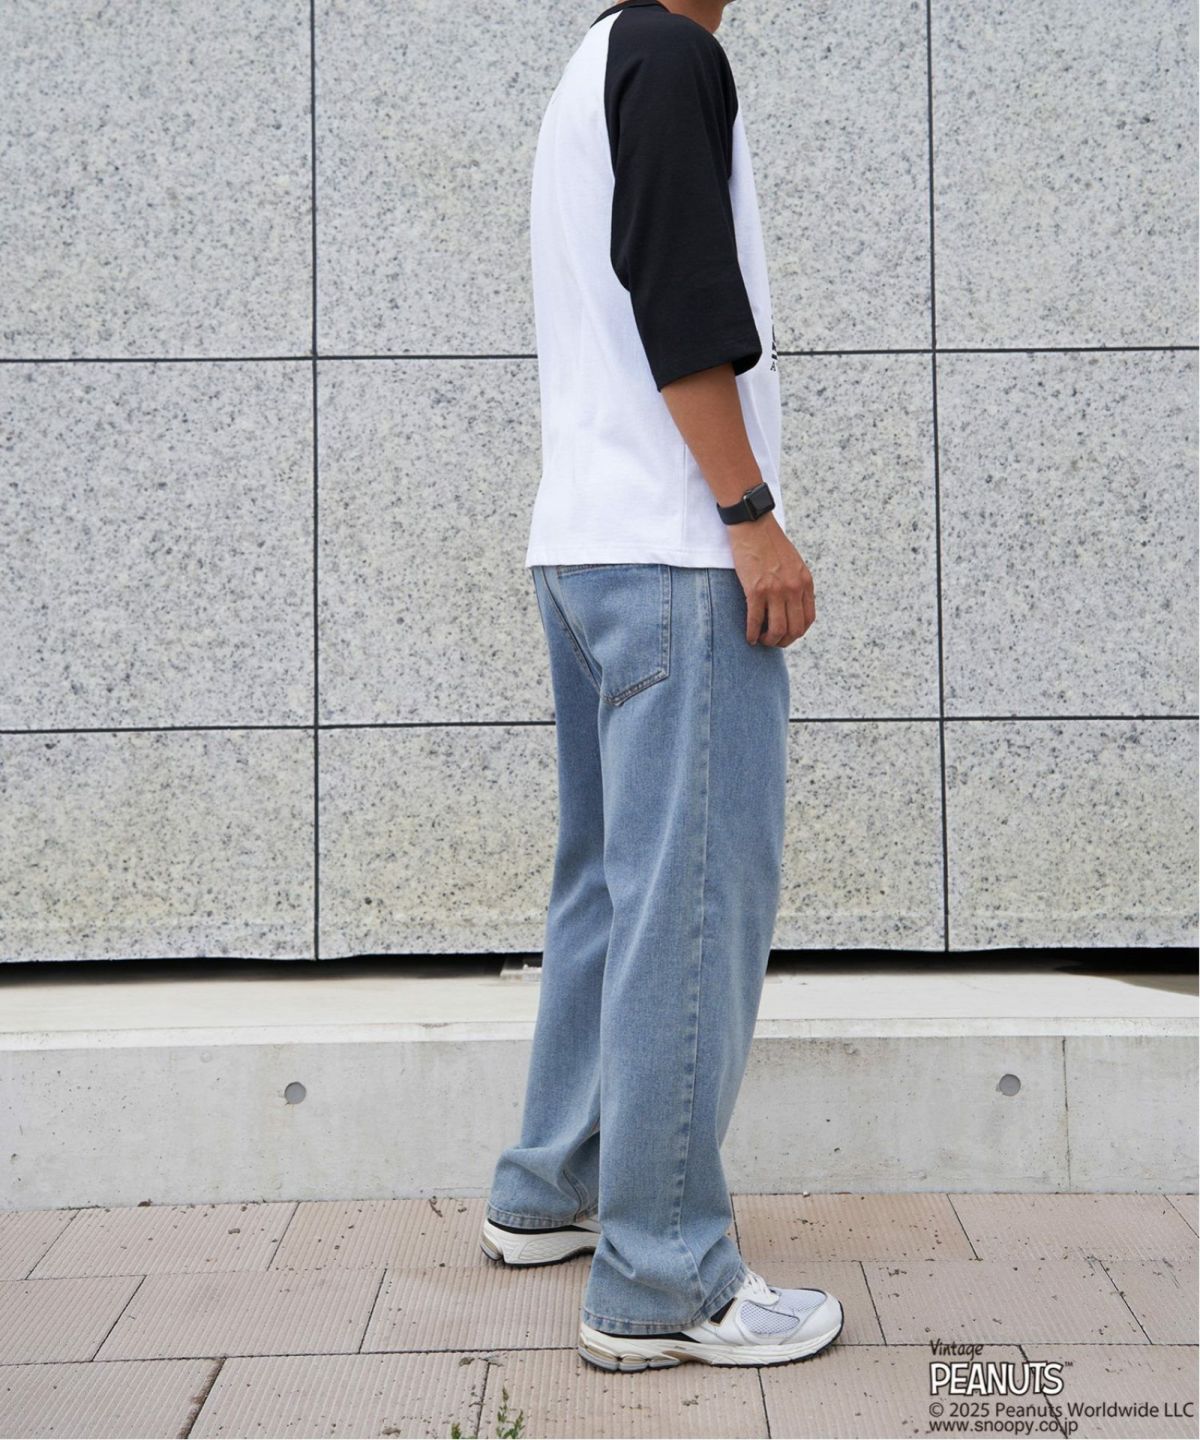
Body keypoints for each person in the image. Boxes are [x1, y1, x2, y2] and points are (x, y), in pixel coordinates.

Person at [480, 0, 843, 1372]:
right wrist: (750, 514)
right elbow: (681, 298)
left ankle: (554, 1185)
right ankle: (664, 1274)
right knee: (691, 904)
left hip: (584, 545)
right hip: (677, 552)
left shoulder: (597, 59)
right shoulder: (673, 53)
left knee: (608, 887)